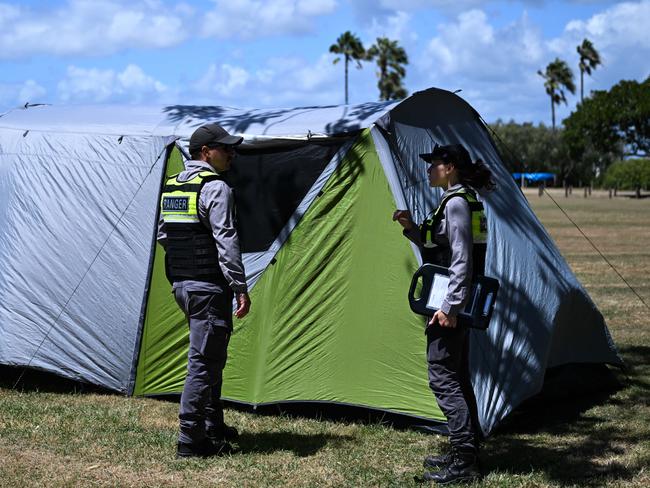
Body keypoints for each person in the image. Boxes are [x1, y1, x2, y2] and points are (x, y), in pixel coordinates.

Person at [393, 143, 495, 484]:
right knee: (457, 374)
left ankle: (465, 461)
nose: (428, 169)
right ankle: (465, 449)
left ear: (448, 167)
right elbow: (439, 242)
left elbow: (462, 258)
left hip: (451, 304)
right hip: (460, 302)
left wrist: (450, 308)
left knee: (442, 375)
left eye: (433, 163)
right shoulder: (464, 200)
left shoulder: (455, 204)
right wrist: (410, 227)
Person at [157, 123, 251, 458]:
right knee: (203, 362)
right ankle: (190, 439)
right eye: (226, 149)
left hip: (183, 285)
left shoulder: (173, 186)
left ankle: (213, 425)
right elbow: (227, 243)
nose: (231, 154)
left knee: (210, 357)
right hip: (210, 288)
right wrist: (240, 288)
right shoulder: (216, 188)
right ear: (206, 152)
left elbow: (164, 236)